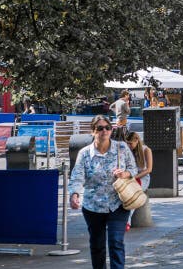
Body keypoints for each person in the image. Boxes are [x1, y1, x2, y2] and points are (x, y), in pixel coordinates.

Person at [69, 115, 138, 269]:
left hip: (118, 203)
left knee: (116, 242)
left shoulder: (122, 148)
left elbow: (133, 169)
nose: (105, 131)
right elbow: (77, 177)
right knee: (97, 245)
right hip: (93, 206)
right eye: (100, 128)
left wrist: (124, 174)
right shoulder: (85, 153)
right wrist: (74, 194)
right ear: (93, 131)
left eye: (108, 127)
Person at [124, 132, 152, 231]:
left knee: (133, 194)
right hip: (131, 176)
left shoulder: (146, 150)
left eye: (130, 143)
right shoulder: (128, 151)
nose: (129, 146)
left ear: (136, 141)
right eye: (127, 143)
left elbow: (149, 169)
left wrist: (134, 177)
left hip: (143, 177)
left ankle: (127, 221)